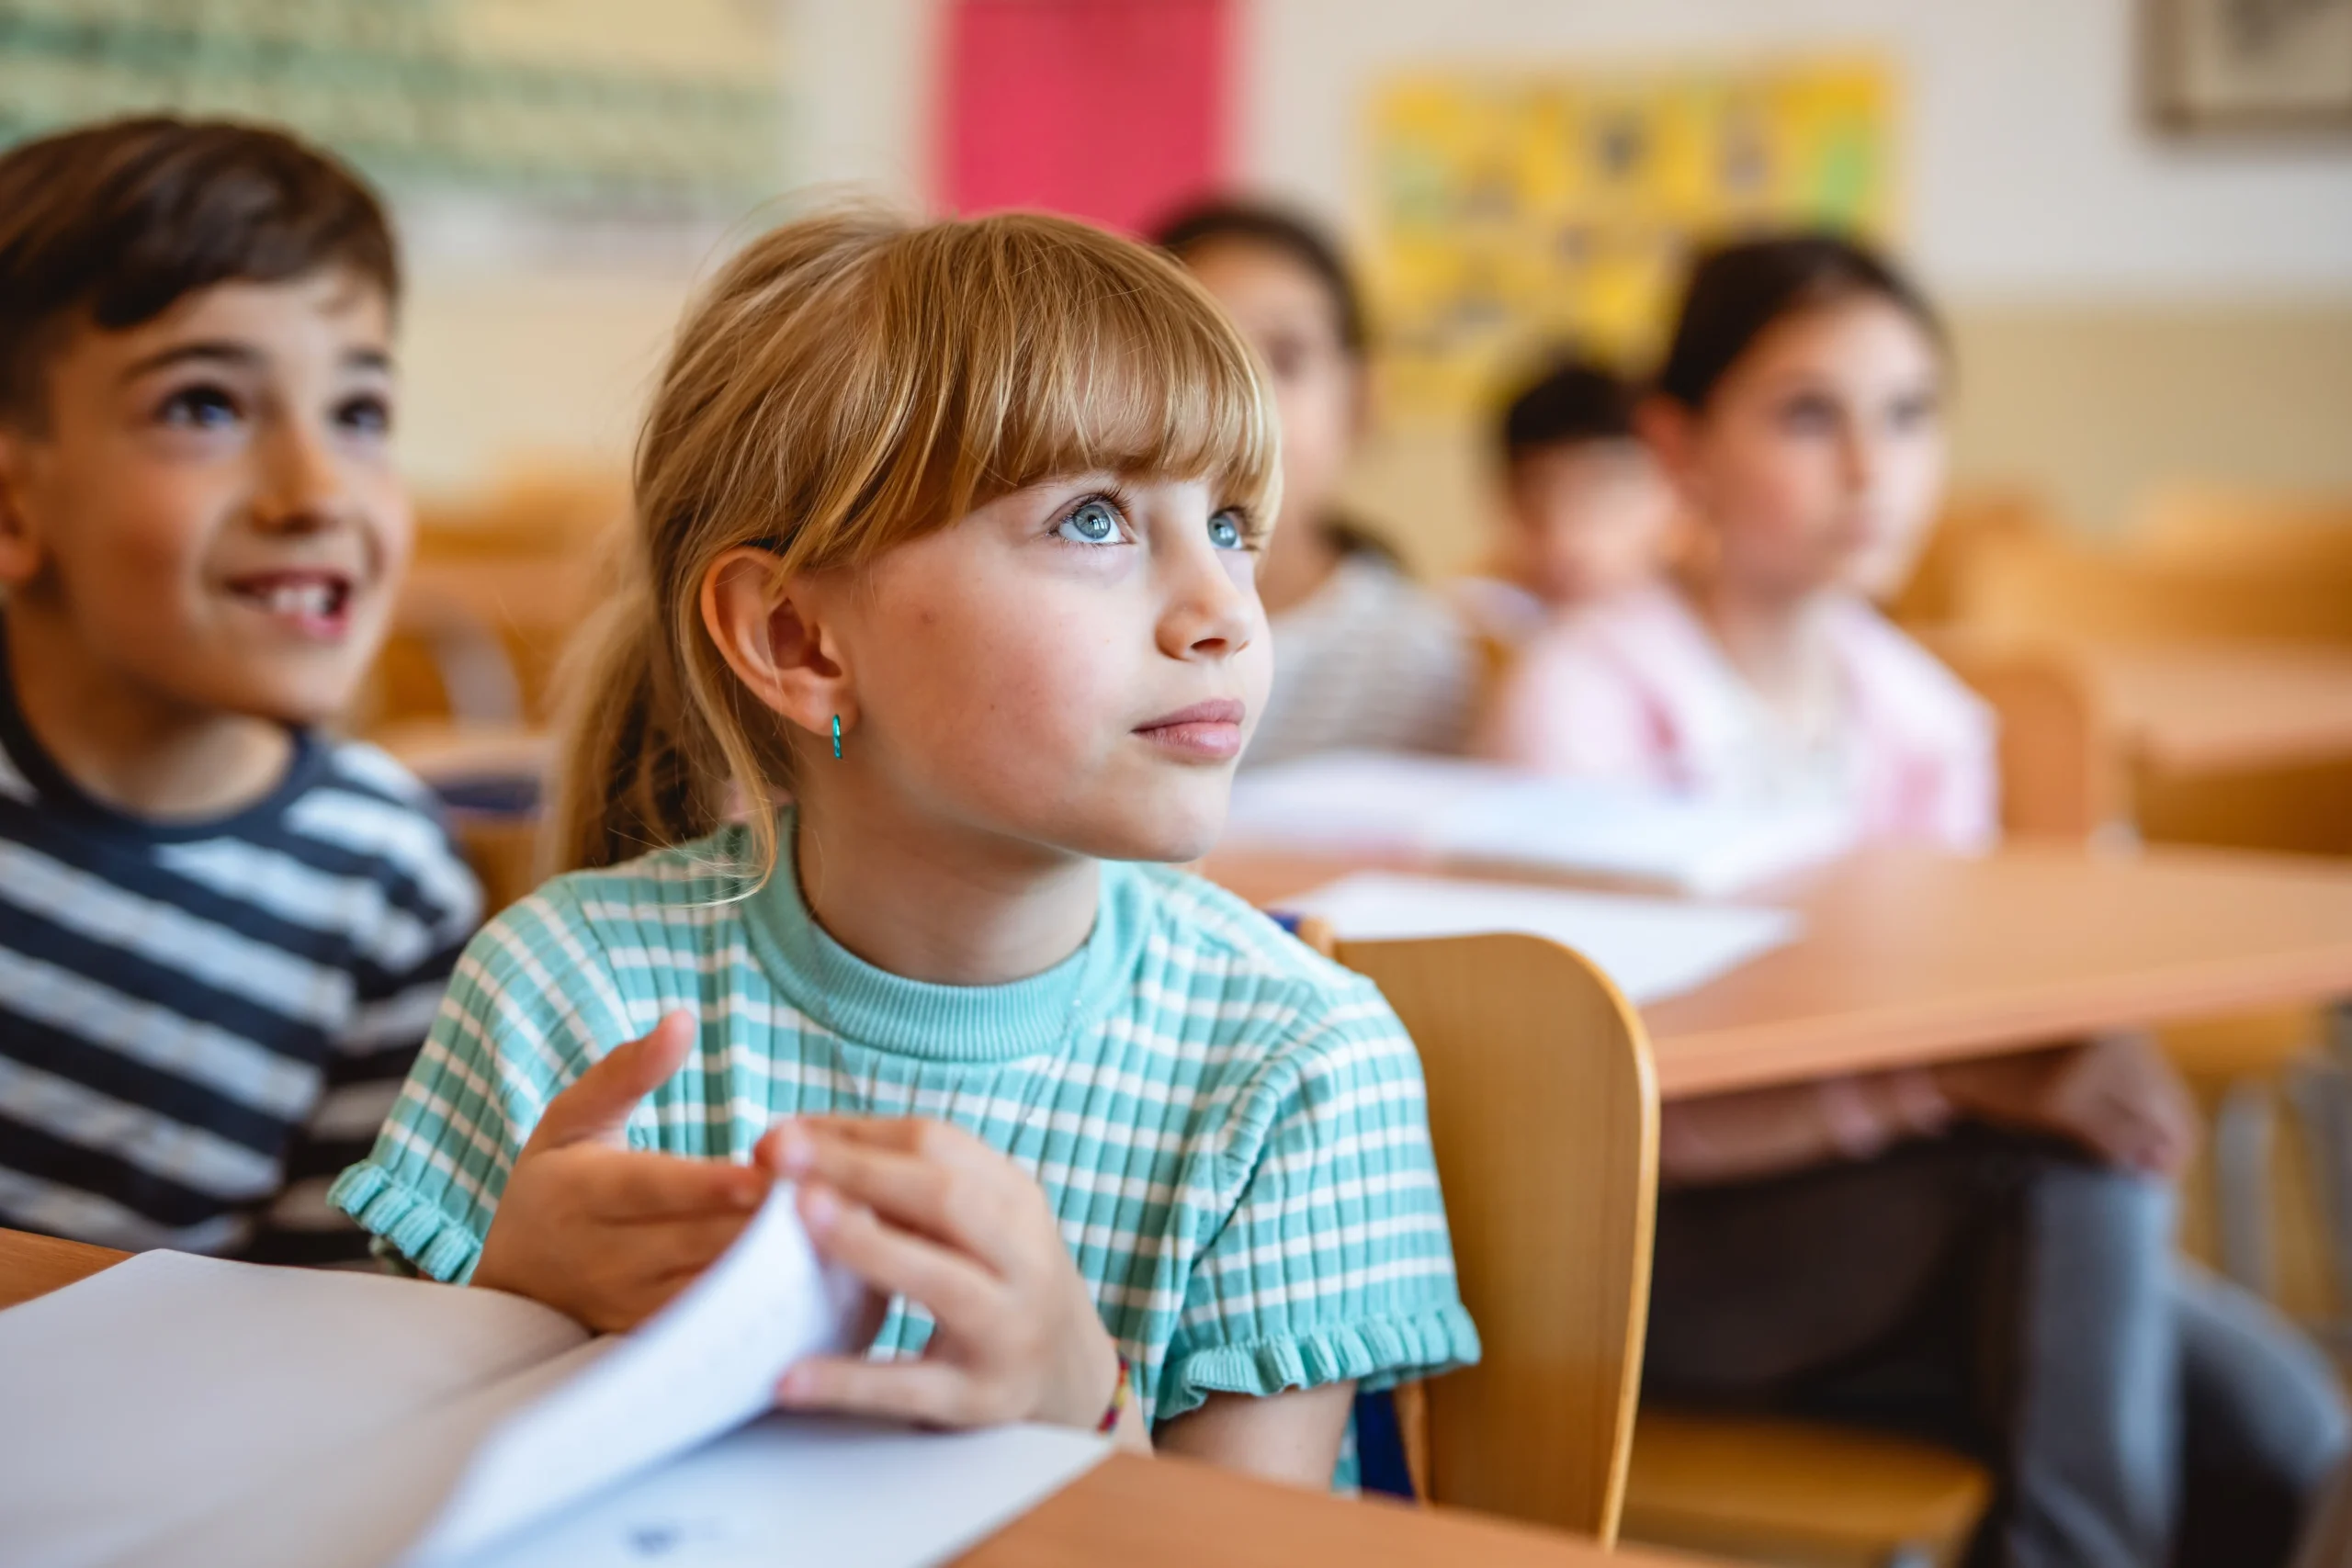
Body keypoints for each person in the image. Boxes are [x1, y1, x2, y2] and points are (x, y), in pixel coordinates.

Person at [330, 208, 1478, 1486]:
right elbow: (394, 1497)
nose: (1224, 610)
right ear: (797, 639)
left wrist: (1072, 1399)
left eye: (1228, 524)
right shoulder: (567, 995)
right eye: (1094, 519)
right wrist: (511, 1299)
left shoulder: (1301, 1068)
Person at [1497, 232, 2346, 1567]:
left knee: (2287, 1431)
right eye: (1808, 414)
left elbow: (1980, 1009)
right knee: (2076, 1176)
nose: (1869, 466)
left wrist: (2053, 1044)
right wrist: (1957, 1080)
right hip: (1644, 1256)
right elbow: (1576, 1093)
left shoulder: (1925, 716)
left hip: (1920, 1226)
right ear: (1680, 446)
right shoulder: (1585, 698)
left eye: (1908, 415)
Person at [0, 118, 480, 1264]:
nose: (315, 490)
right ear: (16, 507)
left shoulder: (388, 887)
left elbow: (314, 1330)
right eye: (204, 406)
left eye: (358, 414)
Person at [1154, 198, 1476, 767]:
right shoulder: (1096, 617)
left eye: (1285, 357)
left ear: (1359, 401)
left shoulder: (1415, 658)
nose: (1243, 401)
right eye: (1200, 355)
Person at [1455, 354, 1679, 649]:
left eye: (1599, 494)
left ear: (1674, 490)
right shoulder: (1472, 632)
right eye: (1533, 500)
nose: (1563, 536)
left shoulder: (1716, 631)